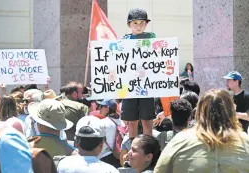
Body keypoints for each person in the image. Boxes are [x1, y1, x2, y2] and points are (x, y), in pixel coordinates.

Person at [154, 89, 249, 173]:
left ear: (198, 113)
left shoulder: (179, 140)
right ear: (233, 112)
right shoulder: (245, 142)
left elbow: (160, 169)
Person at [121, 8, 156, 144]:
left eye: (142, 22)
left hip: (147, 85)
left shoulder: (152, 37)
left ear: (146, 24)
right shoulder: (124, 39)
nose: (139, 26)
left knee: (147, 120)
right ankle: (132, 149)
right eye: (135, 23)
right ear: (129, 25)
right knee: (132, 121)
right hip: (130, 86)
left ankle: (149, 148)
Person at [98, 99, 123, 168]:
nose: (99, 108)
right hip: (119, 156)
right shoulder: (121, 122)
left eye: (101, 106)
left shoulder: (102, 123)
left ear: (107, 108)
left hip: (105, 157)